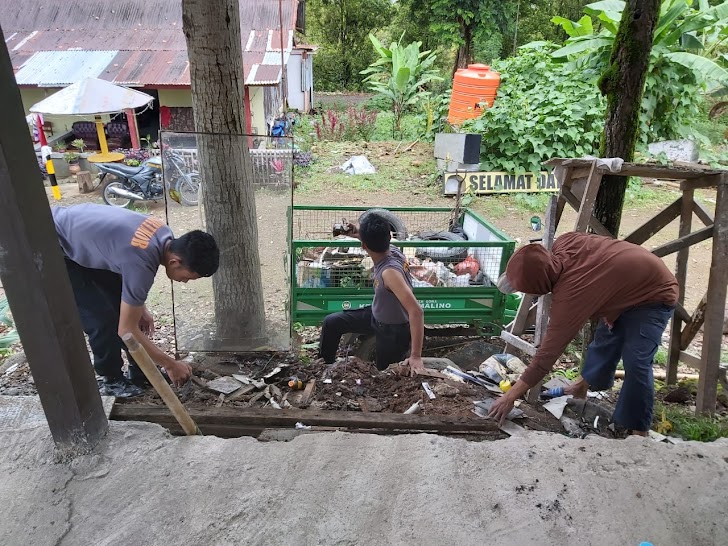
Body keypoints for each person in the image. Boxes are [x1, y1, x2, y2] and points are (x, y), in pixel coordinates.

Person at [489, 232, 678, 436]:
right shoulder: (564, 242)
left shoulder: (572, 295)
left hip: (654, 294)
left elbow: (546, 356)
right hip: (625, 286)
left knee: (637, 363)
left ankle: (639, 431)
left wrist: (510, 397)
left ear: (539, 285)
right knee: (604, 342)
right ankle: (581, 388)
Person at [52, 203, 219, 397]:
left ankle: (142, 372)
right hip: (53, 242)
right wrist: (170, 364)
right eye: (188, 277)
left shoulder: (164, 234)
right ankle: (112, 380)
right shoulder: (141, 261)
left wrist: (140, 308)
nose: (185, 282)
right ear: (175, 261)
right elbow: (126, 330)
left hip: (87, 240)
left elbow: (129, 270)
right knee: (102, 319)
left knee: (130, 315)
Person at [318, 210, 424, 375]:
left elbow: (416, 311)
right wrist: (357, 232)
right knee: (332, 322)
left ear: (364, 246)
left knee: (384, 373)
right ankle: (325, 369)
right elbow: (373, 238)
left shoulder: (389, 273)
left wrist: (416, 356)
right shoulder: (393, 249)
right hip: (375, 315)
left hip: (393, 330)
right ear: (389, 237)